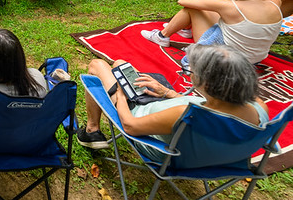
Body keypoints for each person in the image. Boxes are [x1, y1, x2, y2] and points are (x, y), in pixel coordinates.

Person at [76, 45, 270, 156]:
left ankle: (92, 131)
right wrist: (167, 92)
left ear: (209, 86)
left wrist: (120, 96)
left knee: (98, 65)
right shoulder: (259, 107)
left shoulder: (186, 115)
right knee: (120, 64)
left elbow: (130, 126)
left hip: (162, 147)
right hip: (204, 154)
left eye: (193, 72)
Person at [140, 0, 284, 63]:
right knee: (216, 15)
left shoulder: (229, 7)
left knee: (192, 8)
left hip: (226, 60)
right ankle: (186, 29)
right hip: (255, 60)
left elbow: (182, 1)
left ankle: (162, 36)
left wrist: (217, 3)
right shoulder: (274, 3)